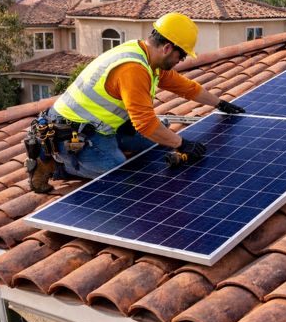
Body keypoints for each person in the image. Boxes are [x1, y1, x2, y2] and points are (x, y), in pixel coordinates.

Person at [24, 12, 245, 193]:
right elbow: (146, 124)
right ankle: (57, 164)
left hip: (103, 127)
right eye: (182, 55)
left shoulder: (147, 57)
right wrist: (182, 144)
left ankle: (106, 150)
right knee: (121, 174)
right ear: (167, 48)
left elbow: (185, 87)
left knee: (155, 144)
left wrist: (219, 103)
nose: (181, 61)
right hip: (75, 133)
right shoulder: (134, 69)